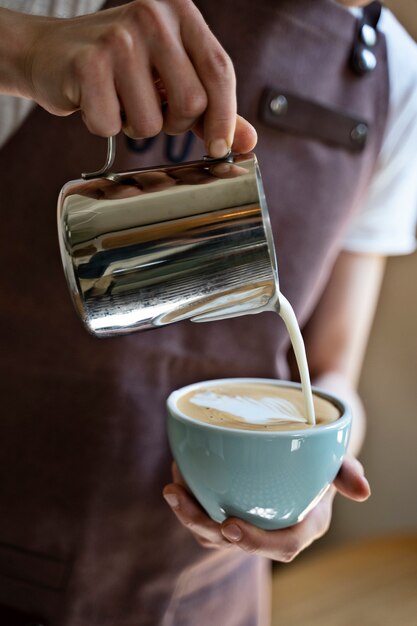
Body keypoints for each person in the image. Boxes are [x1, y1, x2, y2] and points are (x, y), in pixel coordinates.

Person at [0, 1, 416, 625]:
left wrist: (319, 471)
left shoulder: (397, 79)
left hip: (206, 595)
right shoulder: (72, 7)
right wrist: (26, 47)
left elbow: (331, 373)